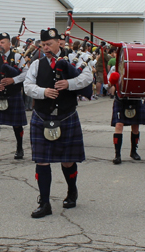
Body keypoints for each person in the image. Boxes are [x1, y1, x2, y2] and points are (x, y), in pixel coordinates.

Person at [23, 28, 93, 218]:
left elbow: (88, 78)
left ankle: (71, 190)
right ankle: (44, 202)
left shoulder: (74, 59)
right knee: (42, 161)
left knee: (68, 160)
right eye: (43, 45)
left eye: (49, 44)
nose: (45, 48)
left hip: (66, 115)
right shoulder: (36, 64)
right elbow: (28, 86)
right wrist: (43, 92)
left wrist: (69, 84)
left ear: (59, 43)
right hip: (42, 115)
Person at [0, 32, 28, 162]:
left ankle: (19, 148)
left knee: (17, 124)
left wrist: (13, 80)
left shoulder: (18, 57)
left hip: (13, 94)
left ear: (10, 44)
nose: (0, 45)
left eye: (2, 42)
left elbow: (26, 73)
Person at [110, 74, 145, 164]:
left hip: (135, 98)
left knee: (135, 126)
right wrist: (112, 83)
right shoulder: (118, 67)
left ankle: (133, 151)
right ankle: (117, 155)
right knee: (119, 124)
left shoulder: (139, 69)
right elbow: (110, 86)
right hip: (121, 99)